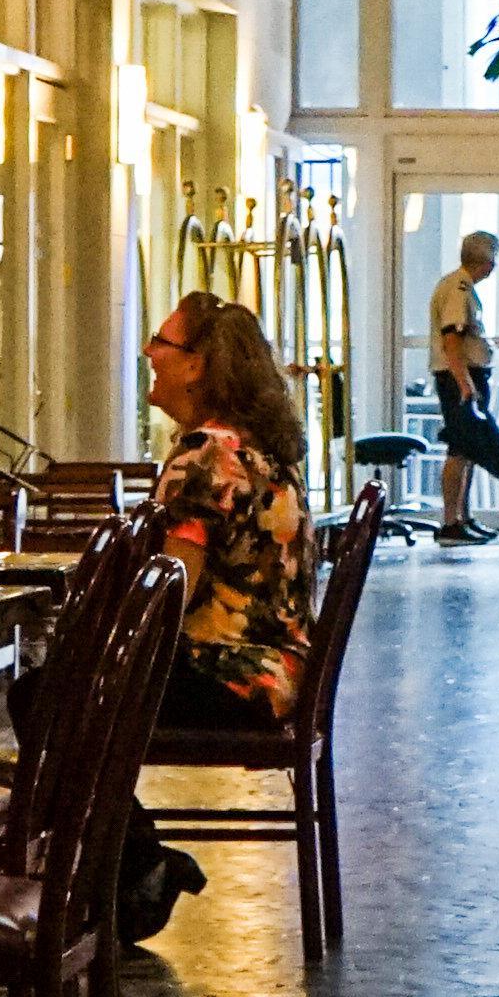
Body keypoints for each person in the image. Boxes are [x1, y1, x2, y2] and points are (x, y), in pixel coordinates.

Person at [118, 291, 318, 941]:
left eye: (162, 343)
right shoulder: (261, 446)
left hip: (229, 676)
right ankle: (132, 867)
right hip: (278, 673)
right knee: (67, 695)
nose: (150, 353)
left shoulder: (205, 453)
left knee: (49, 699)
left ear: (198, 365)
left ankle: (135, 869)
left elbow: (170, 590)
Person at [426, 231, 499, 547]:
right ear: (485, 260)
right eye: (492, 259)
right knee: (459, 448)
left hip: (466, 377)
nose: (494, 267)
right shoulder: (459, 289)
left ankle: (463, 518)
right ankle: (450, 522)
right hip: (459, 379)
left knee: (470, 450)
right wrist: (465, 385)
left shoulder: (462, 287)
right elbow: (452, 340)